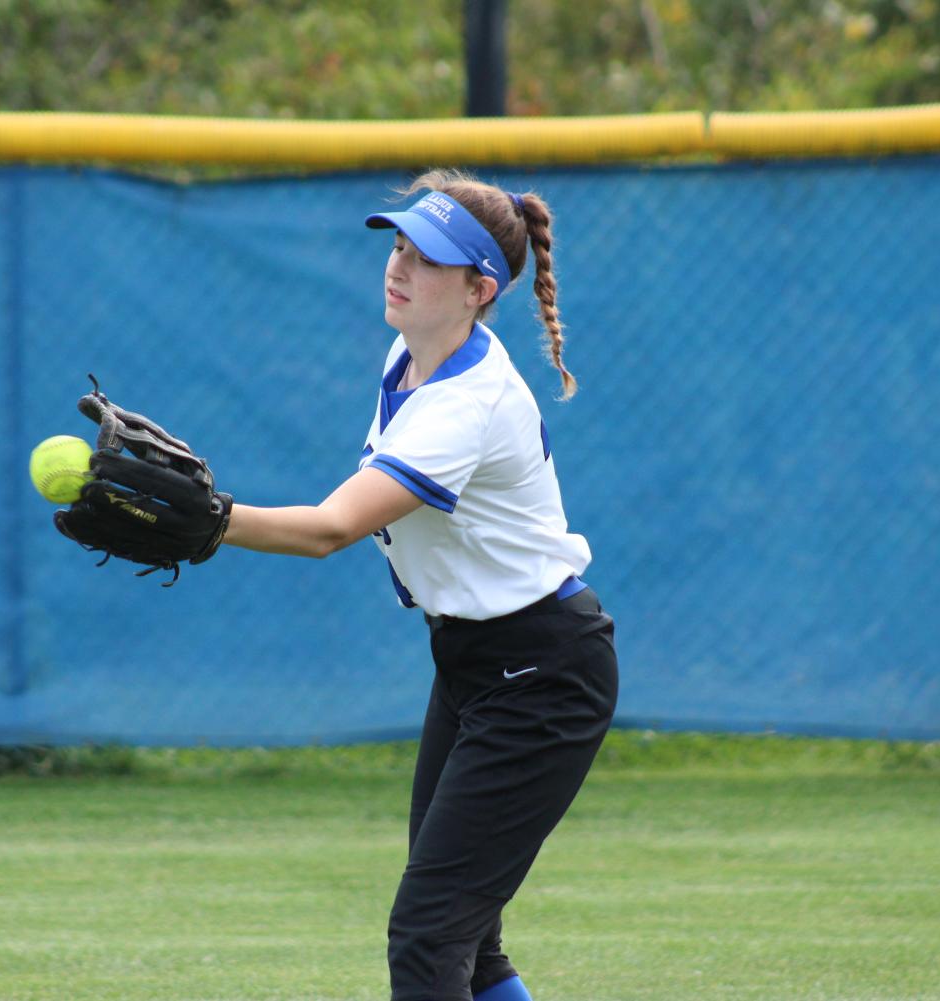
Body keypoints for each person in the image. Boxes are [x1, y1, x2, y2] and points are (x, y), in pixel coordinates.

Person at [221, 169, 619, 1001]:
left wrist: (205, 519)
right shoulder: (410, 354)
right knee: (466, 944)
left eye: (427, 256)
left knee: (429, 933)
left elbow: (331, 528)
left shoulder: (464, 402)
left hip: (542, 673)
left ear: (478, 289)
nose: (398, 265)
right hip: (480, 663)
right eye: (398, 243)